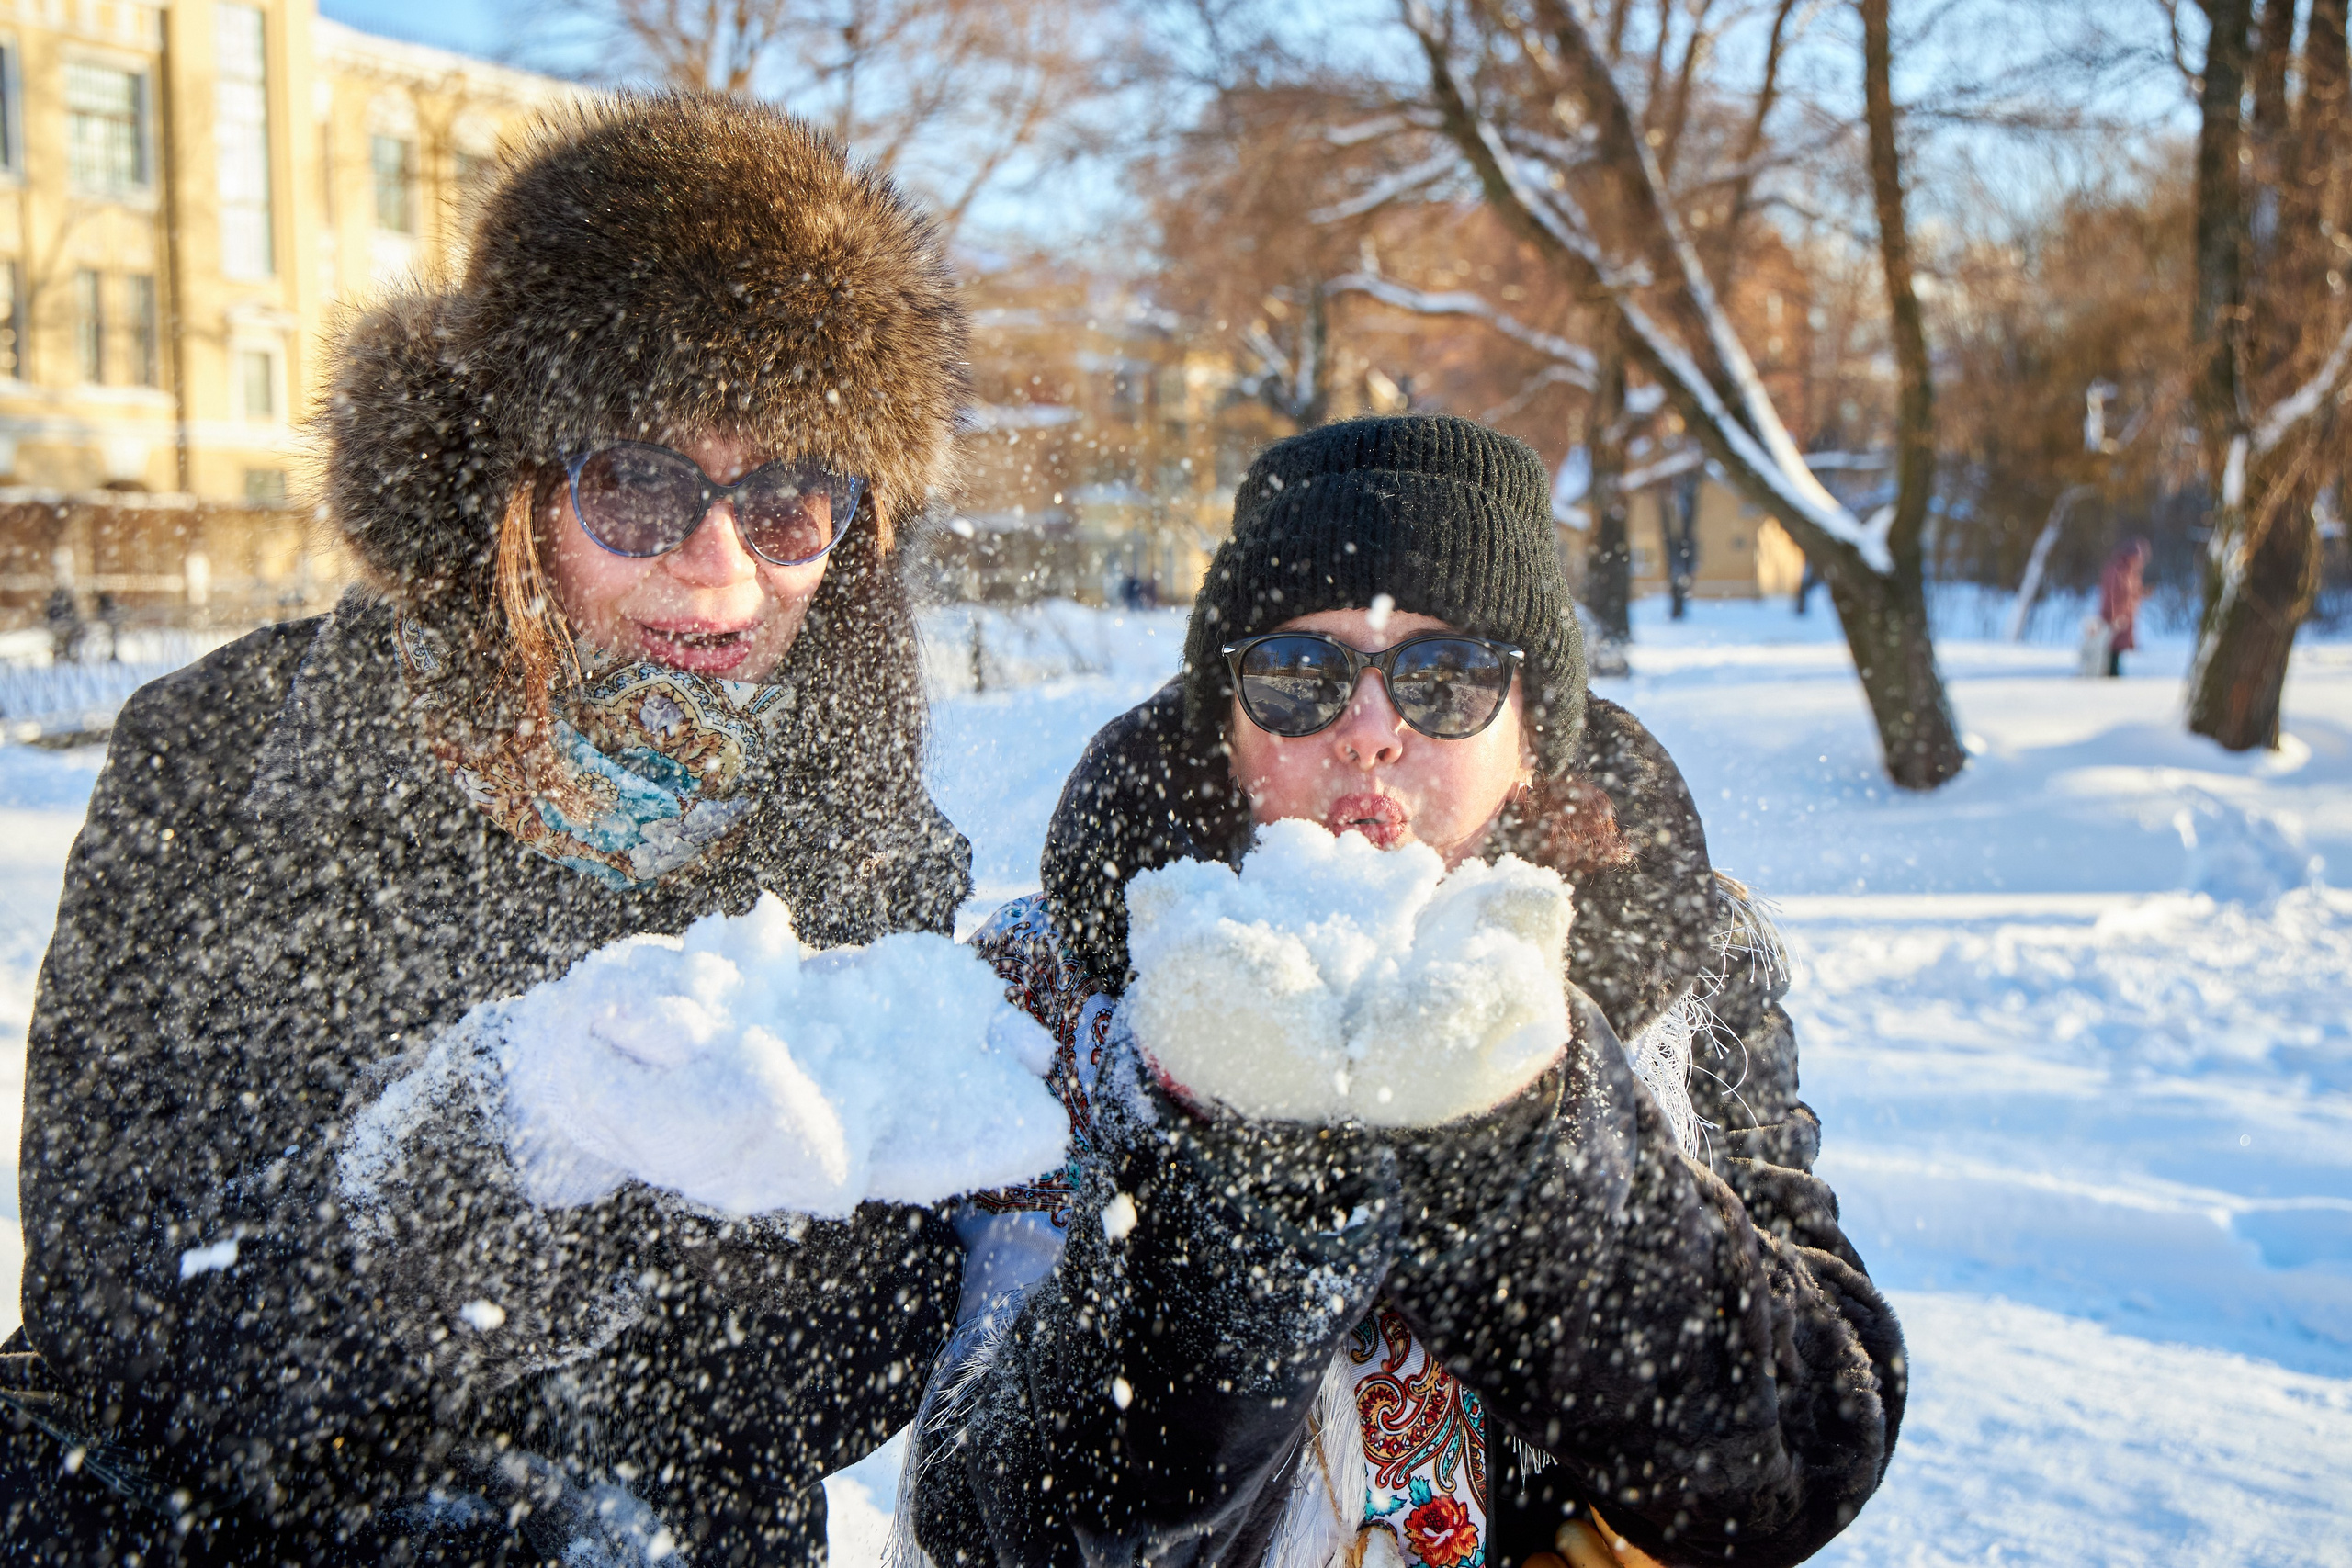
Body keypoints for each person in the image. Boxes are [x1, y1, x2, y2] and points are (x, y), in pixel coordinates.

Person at [3, 95, 973, 1564]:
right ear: (512, 486)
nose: (719, 573)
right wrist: (473, 1167)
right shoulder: (223, 760)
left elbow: (851, 1367)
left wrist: (760, 1198)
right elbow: (121, 1312)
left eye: (787, 501)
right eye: (640, 486)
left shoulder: (864, 835)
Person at [909, 417, 1904, 1568]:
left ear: (1535, 734)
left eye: (1445, 676)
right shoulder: (1057, 988)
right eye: (1296, 675)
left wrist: (1528, 1162)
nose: (1368, 734)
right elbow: (986, 1516)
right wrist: (1230, 1198)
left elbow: (1802, 1457)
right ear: (1225, 729)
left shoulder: (1676, 973)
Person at [2098, 538, 2150, 677]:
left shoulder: (2131, 572)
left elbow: (2132, 592)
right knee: (2111, 644)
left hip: (2125, 615)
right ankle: (2110, 671)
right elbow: (2113, 593)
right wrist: (2115, 615)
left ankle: (2113, 670)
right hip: (2115, 616)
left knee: (2119, 646)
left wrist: (2143, 593)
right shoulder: (2117, 570)